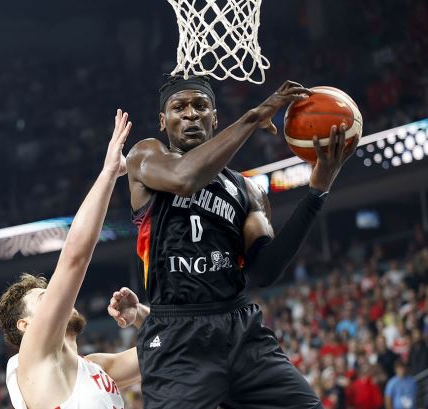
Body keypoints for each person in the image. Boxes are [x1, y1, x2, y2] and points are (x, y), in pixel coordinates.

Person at [111, 75, 359, 409]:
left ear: (214, 117)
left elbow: (264, 272)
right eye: (179, 107)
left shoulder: (248, 190)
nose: (191, 114)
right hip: (178, 335)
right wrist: (254, 117)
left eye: (201, 106)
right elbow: (184, 177)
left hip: (241, 329)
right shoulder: (146, 156)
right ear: (162, 120)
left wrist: (317, 192)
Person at [0, 110, 149, 409]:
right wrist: (108, 174)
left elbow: (171, 344)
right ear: (26, 325)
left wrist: (140, 313)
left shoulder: (98, 368)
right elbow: (74, 258)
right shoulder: (32, 360)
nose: (58, 298)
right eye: (45, 298)